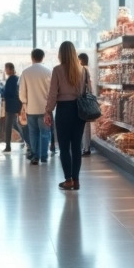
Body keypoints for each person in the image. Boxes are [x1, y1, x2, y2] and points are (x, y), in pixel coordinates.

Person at [45, 41, 87, 191]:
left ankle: (68, 179)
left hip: (64, 109)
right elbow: (89, 92)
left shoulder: (57, 70)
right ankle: (76, 180)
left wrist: (48, 111)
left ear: (61, 54)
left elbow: (52, 93)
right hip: (80, 110)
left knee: (64, 146)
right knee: (76, 146)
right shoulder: (83, 70)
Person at [19, 48, 52, 165]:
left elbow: (22, 91)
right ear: (43, 58)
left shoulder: (26, 72)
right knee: (45, 132)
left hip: (31, 108)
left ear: (32, 57)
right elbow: (52, 91)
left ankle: (35, 156)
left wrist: (24, 102)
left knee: (33, 133)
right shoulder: (48, 71)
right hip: (45, 109)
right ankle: (44, 156)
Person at [0, 62, 22, 153]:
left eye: (6, 69)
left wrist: (1, 89)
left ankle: (8, 146)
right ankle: (24, 138)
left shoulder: (10, 80)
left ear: (10, 69)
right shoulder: (17, 78)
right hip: (17, 104)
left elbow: (7, 93)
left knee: (8, 126)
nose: (5, 71)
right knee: (15, 124)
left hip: (10, 105)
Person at [78, 52, 94, 157]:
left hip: (81, 101)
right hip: (85, 101)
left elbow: (89, 86)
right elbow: (90, 88)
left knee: (83, 126)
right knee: (85, 126)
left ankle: (85, 147)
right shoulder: (87, 69)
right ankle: (86, 147)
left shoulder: (83, 70)